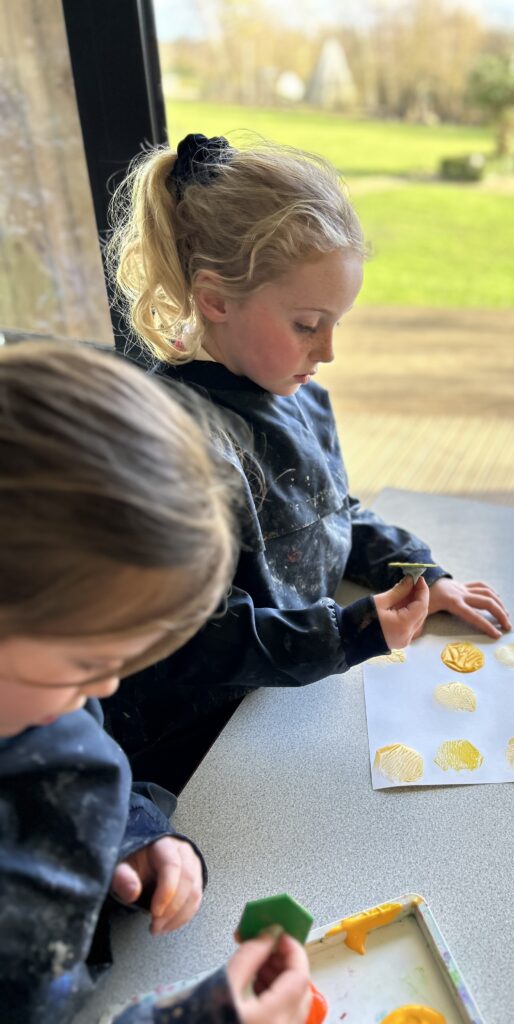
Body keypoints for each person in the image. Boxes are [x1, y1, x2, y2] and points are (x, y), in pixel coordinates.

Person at [103, 133, 510, 791]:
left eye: (335, 323)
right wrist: (347, 635)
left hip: (293, 696)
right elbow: (189, 637)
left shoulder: (300, 397)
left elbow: (331, 512)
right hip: (202, 746)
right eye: (307, 324)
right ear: (215, 300)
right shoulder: (170, 443)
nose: (327, 351)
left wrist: (420, 573)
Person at [0, 341, 311, 1024]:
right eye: (86, 665)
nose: (106, 691)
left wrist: (138, 832)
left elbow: (76, 767)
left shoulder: (35, 705)